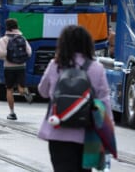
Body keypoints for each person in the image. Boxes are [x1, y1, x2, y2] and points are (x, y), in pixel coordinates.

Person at [37, 25, 114, 172]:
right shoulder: (96, 68)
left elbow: (43, 91)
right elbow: (104, 101)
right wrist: (108, 131)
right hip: (87, 135)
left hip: (58, 132)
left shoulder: (55, 65)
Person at [0, 18, 33, 120]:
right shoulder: (22, 38)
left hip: (8, 67)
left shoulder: (3, 39)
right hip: (21, 66)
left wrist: (9, 57)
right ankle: (24, 90)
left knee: (9, 89)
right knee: (20, 88)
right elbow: (29, 52)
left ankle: (12, 113)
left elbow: (0, 54)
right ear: (17, 27)